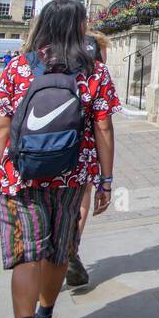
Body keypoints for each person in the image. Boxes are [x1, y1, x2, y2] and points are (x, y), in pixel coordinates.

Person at [0, 0, 121, 318]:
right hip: (69, 175)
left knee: (25, 254)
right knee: (58, 247)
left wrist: (7, 167)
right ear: (79, 28)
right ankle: (46, 316)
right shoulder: (93, 72)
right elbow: (104, 130)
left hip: (21, 177)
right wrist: (105, 181)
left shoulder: (18, 67)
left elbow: (1, 125)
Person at [66, 29, 111, 289]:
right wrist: (107, 178)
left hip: (45, 148)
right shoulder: (97, 57)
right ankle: (71, 246)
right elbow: (103, 123)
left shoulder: (45, 58)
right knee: (82, 195)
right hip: (83, 145)